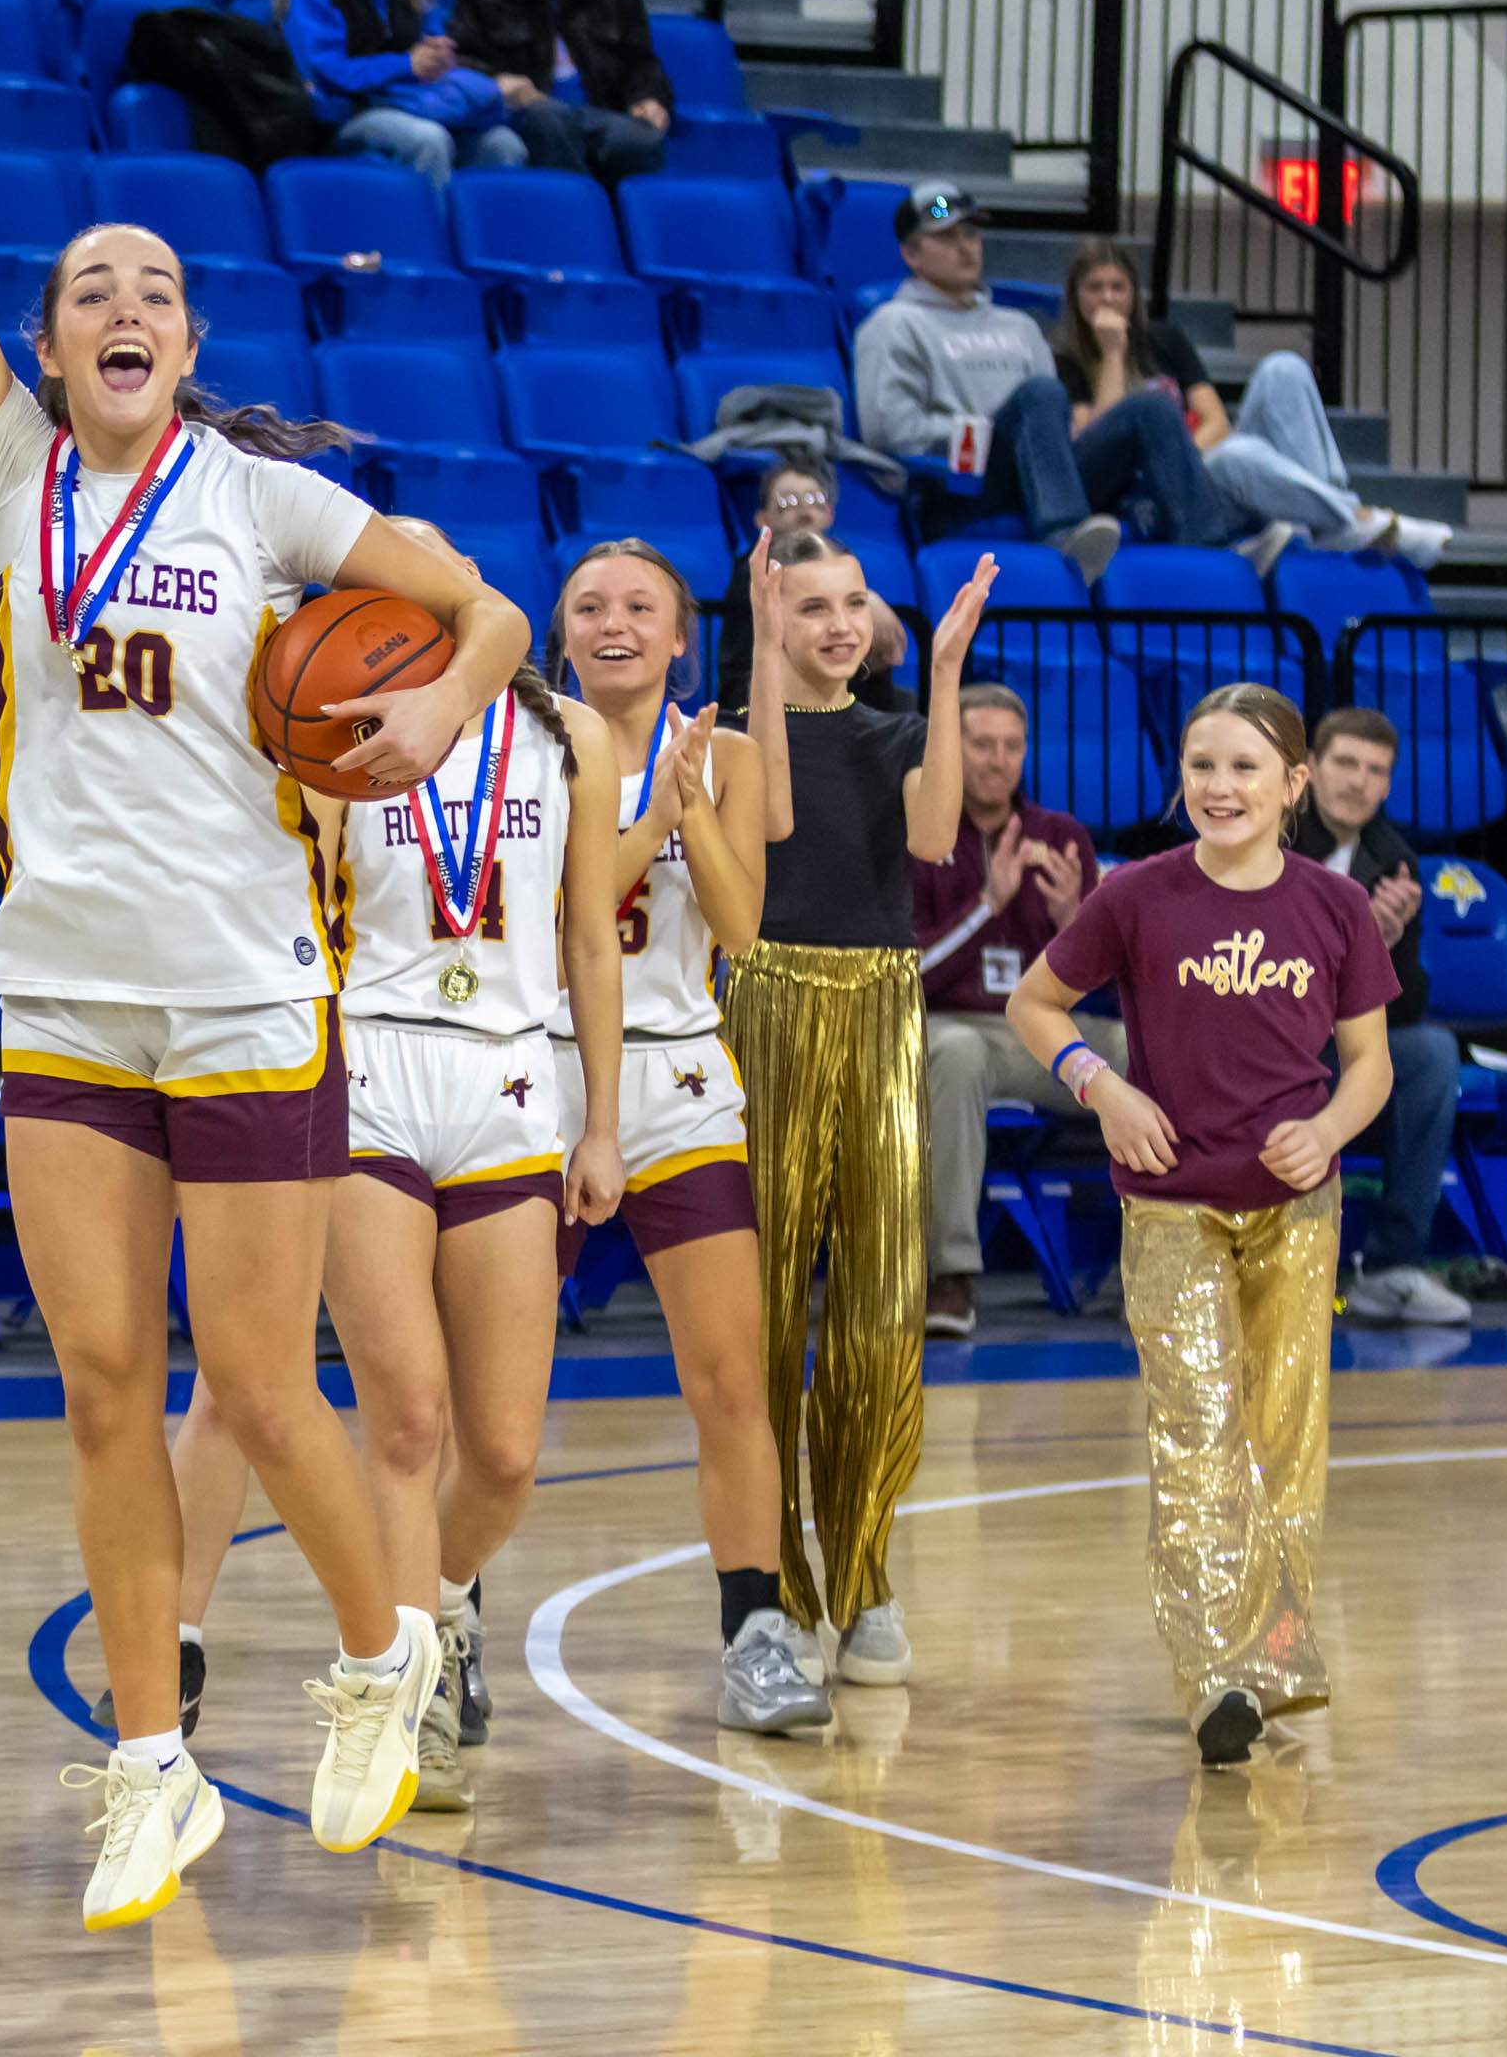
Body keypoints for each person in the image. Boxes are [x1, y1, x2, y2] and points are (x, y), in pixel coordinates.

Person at [0, 0, 528, 1927]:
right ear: (51, 347)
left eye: (154, 288)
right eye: (90, 291)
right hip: (60, 996)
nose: (122, 305)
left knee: (252, 1387)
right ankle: (154, 1762)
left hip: (240, 998)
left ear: (191, 342)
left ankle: (386, 1646)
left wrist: (426, 729)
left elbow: (476, 610)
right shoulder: (9, 471)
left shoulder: (271, 504)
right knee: (104, 1390)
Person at [159, 517, 624, 1817]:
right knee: (406, 1415)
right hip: (363, 1064)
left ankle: (449, 1594)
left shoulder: (564, 736)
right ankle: (399, 1688)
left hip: (517, 1077)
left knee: (510, 1448)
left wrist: (603, 1120)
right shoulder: (317, 715)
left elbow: (592, 937)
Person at [1006, 683, 1393, 1766]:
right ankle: (1214, 1671)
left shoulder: (1334, 908)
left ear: (1295, 787)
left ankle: (1274, 1653)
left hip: (1295, 1208)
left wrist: (1325, 1131)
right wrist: (1101, 1086)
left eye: (1243, 768)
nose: (1218, 787)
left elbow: (1370, 1067)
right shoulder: (1139, 897)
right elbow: (1032, 1006)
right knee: (1196, 1431)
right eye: (1201, 766)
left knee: (1283, 1437)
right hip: (1172, 1204)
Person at [547, 543, 824, 1735]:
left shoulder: (736, 753)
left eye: (638, 607)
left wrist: (692, 804)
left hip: (684, 1072)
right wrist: (646, 809)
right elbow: (569, 913)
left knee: (731, 1379)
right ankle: (441, 1628)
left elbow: (746, 928)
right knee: (482, 1394)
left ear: (677, 639)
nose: (614, 622)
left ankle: (756, 1632)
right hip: (541, 1077)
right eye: (589, 606)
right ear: (561, 636)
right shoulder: (521, 745)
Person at [729, 529, 990, 1687]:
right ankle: (776, 1589)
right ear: (773, 619)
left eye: (854, 604)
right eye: (811, 605)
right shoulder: (737, 748)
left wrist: (941, 671)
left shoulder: (895, 735)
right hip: (773, 1002)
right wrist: (753, 646)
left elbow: (935, 838)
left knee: (884, 1307)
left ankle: (867, 1571)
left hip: (884, 1006)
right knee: (770, 1311)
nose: (838, 623)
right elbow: (772, 824)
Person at [853, 183, 1249, 579]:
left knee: (1153, 407)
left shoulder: (1020, 327)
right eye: (946, 237)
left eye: (971, 234)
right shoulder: (893, 324)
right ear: (911, 254)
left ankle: (1213, 551)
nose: (966, 247)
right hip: (969, 484)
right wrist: (981, 433)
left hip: (1047, 472)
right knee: (1039, 395)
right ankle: (1067, 538)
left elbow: (1056, 427)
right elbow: (888, 430)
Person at [1051, 241, 1450, 570]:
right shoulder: (1066, 359)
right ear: (1076, 295)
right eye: (1094, 287)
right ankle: (1352, 518)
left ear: (1133, 294)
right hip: (1155, 499)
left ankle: (1329, 520)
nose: (1107, 297)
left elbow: (1215, 421)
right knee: (1236, 457)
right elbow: (1095, 440)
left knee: (1283, 368)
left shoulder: (1164, 340)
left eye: (1117, 286)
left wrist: (1185, 456)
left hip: (1202, 473)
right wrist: (1113, 355)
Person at [913, 683, 1103, 1342]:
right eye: (981, 744)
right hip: (942, 1028)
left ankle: (1206, 1246)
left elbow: (1097, 988)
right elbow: (906, 981)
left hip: (1041, 1035)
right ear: (951, 748)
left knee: (1151, 1053)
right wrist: (987, 905)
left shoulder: (1063, 836)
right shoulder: (917, 830)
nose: (997, 760)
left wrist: (1073, 924)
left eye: (1011, 746)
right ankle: (952, 1276)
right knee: (958, 1054)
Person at [1291, 707, 1471, 1327]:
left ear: (1389, 785)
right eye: (1344, 763)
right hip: (1262, 1038)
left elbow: (1410, 1005)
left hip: (1338, 1043)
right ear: (1310, 769)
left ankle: (1395, 1265)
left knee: (1431, 1053)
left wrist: (1383, 948)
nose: (1358, 781)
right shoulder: (1270, 837)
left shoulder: (1394, 861)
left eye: (1376, 770)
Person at [272, 0, 524, 197]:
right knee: (428, 139)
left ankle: (493, 243)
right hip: (351, 114)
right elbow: (329, 73)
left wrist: (439, 54)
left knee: (503, 142)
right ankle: (433, 243)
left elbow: (433, 34)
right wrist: (407, 65)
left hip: (414, 101)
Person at [443, 0, 670, 186]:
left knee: (640, 138)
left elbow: (642, 64)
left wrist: (649, 99)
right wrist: (497, 83)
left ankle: (624, 228)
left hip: (598, 114)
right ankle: (575, 220)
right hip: (527, 109)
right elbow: (460, 60)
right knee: (550, 122)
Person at [715, 455, 901, 713]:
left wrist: (867, 601)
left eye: (815, 500)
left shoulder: (844, 562)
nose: (804, 511)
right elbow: (739, 676)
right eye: (787, 503)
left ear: (830, 514)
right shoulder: (751, 573)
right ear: (761, 518)